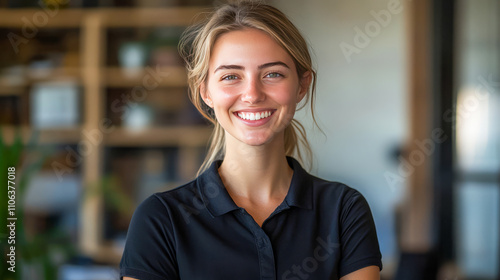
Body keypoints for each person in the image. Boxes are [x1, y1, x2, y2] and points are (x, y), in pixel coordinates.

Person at [120, 1, 382, 279]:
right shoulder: (160, 219)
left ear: (302, 86)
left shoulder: (344, 210)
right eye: (231, 76)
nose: (252, 94)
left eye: (272, 74)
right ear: (206, 91)